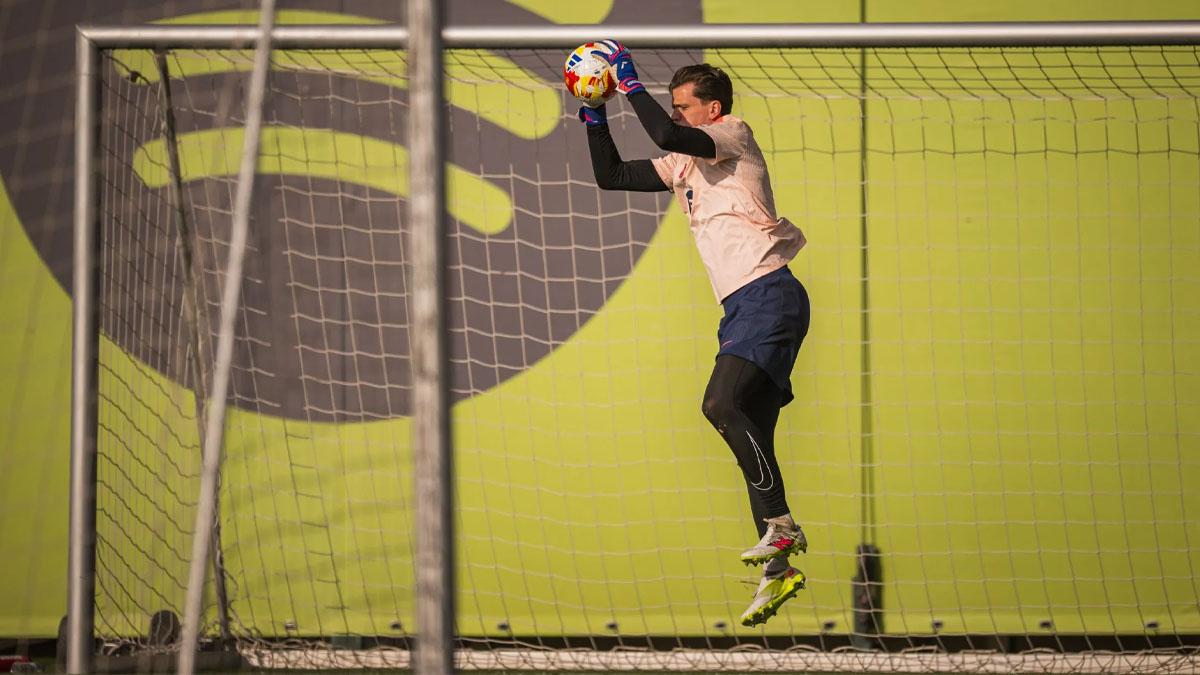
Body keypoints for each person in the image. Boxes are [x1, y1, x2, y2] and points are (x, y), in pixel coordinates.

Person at [575, 41, 812, 627]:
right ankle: (780, 569)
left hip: (769, 294)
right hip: (743, 308)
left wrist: (629, 84)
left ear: (713, 109)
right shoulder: (685, 163)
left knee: (720, 403)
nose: (675, 114)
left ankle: (782, 529)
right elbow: (610, 176)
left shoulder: (733, 134)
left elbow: (665, 135)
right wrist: (593, 112)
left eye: (683, 106)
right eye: (674, 106)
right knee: (749, 426)